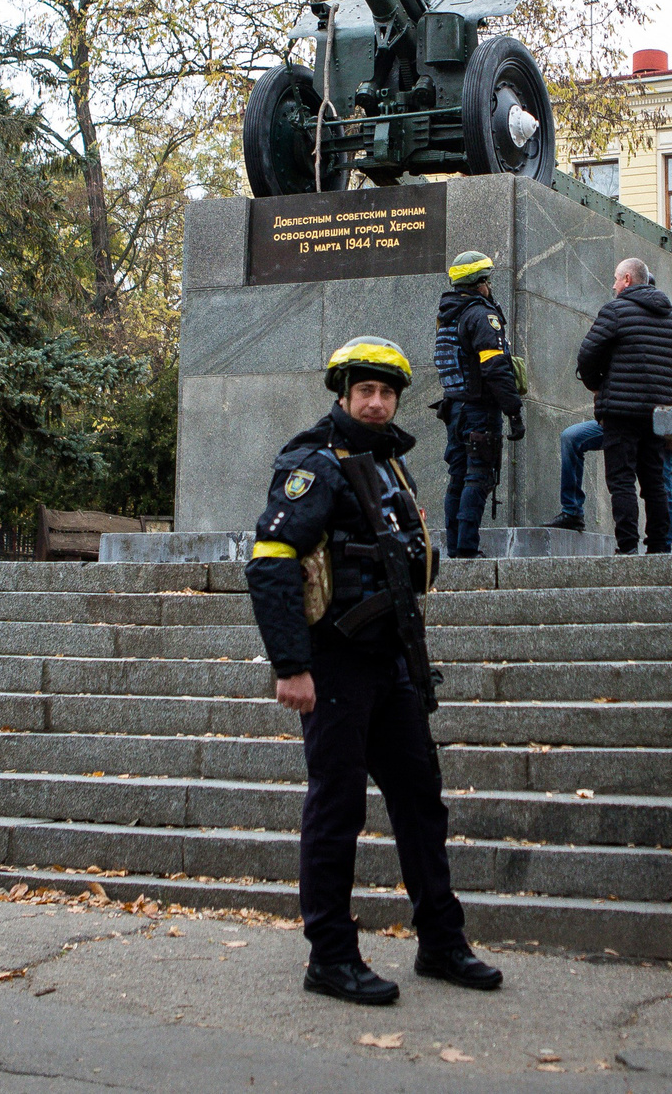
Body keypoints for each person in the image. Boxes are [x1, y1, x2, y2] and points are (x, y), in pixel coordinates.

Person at [245, 337, 506, 1006]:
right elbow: (271, 560)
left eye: (386, 392)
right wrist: (290, 664)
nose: (376, 400)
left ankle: (442, 941)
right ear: (343, 392)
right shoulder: (314, 462)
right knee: (337, 808)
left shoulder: (391, 463)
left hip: (390, 660)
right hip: (333, 661)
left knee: (421, 802)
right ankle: (330, 955)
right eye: (364, 390)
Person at [543, 311, 672, 532]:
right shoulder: (621, 322)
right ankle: (572, 511)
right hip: (620, 418)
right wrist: (606, 394)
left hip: (658, 424)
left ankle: (663, 547)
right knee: (572, 437)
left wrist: (661, 398)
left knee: (660, 486)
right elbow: (596, 361)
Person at [575, 257, 672, 553]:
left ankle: (627, 547)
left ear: (627, 279)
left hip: (621, 411)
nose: (613, 285)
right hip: (658, 414)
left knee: (622, 480)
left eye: (615, 279)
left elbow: (587, 353)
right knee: (655, 482)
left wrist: (596, 383)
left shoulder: (615, 311)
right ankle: (660, 547)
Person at [432, 251, 523, 558]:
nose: (490, 286)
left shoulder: (448, 314)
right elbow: (495, 366)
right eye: (487, 280)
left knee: (458, 477)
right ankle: (467, 547)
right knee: (478, 475)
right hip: (479, 410)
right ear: (479, 283)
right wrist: (513, 410)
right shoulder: (481, 315)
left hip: (455, 408)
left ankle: (457, 547)